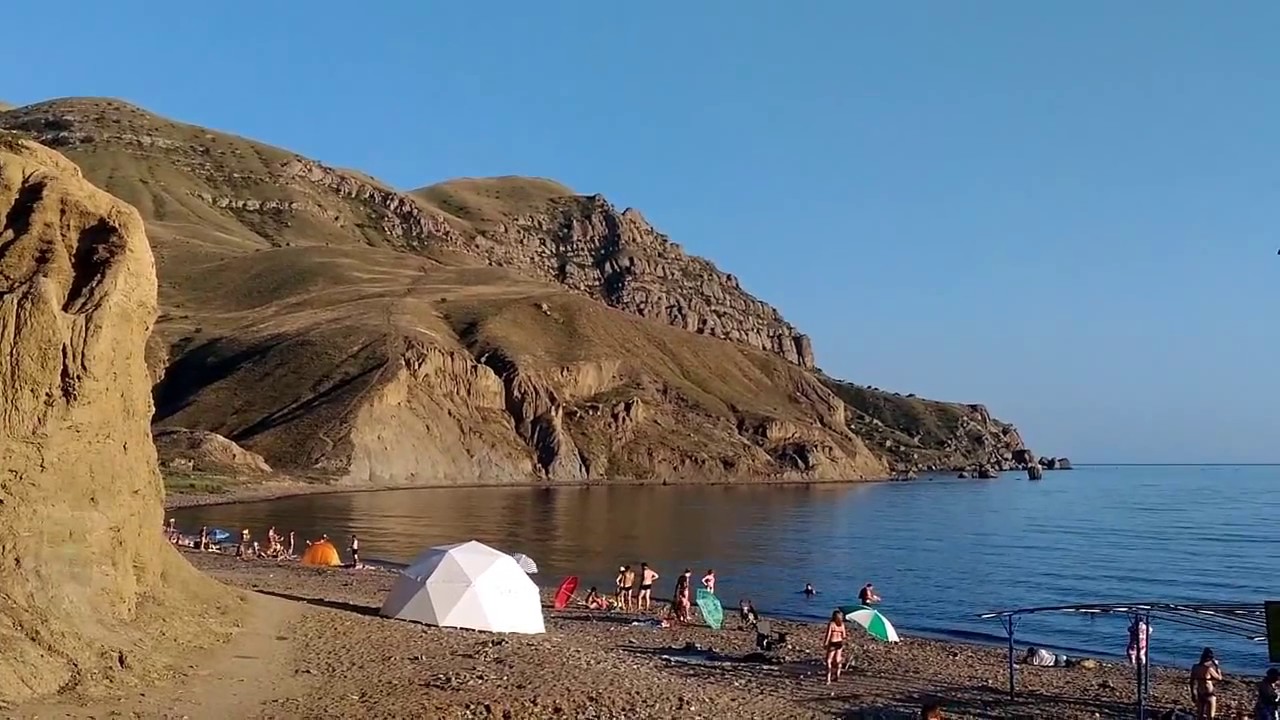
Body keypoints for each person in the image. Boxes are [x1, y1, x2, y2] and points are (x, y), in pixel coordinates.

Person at [1190, 647, 1223, 720]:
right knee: (1210, 716)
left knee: (1200, 715)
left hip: (1200, 692)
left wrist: (1193, 693)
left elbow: (1192, 681)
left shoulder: (1195, 667)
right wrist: (1217, 667)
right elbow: (1219, 678)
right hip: (1209, 693)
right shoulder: (1208, 669)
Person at [823, 609, 847, 684]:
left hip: (832, 642)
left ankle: (828, 678)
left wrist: (825, 643)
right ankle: (837, 675)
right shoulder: (842, 624)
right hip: (839, 642)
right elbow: (844, 635)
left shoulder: (831, 624)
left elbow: (828, 635)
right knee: (837, 660)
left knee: (828, 660)